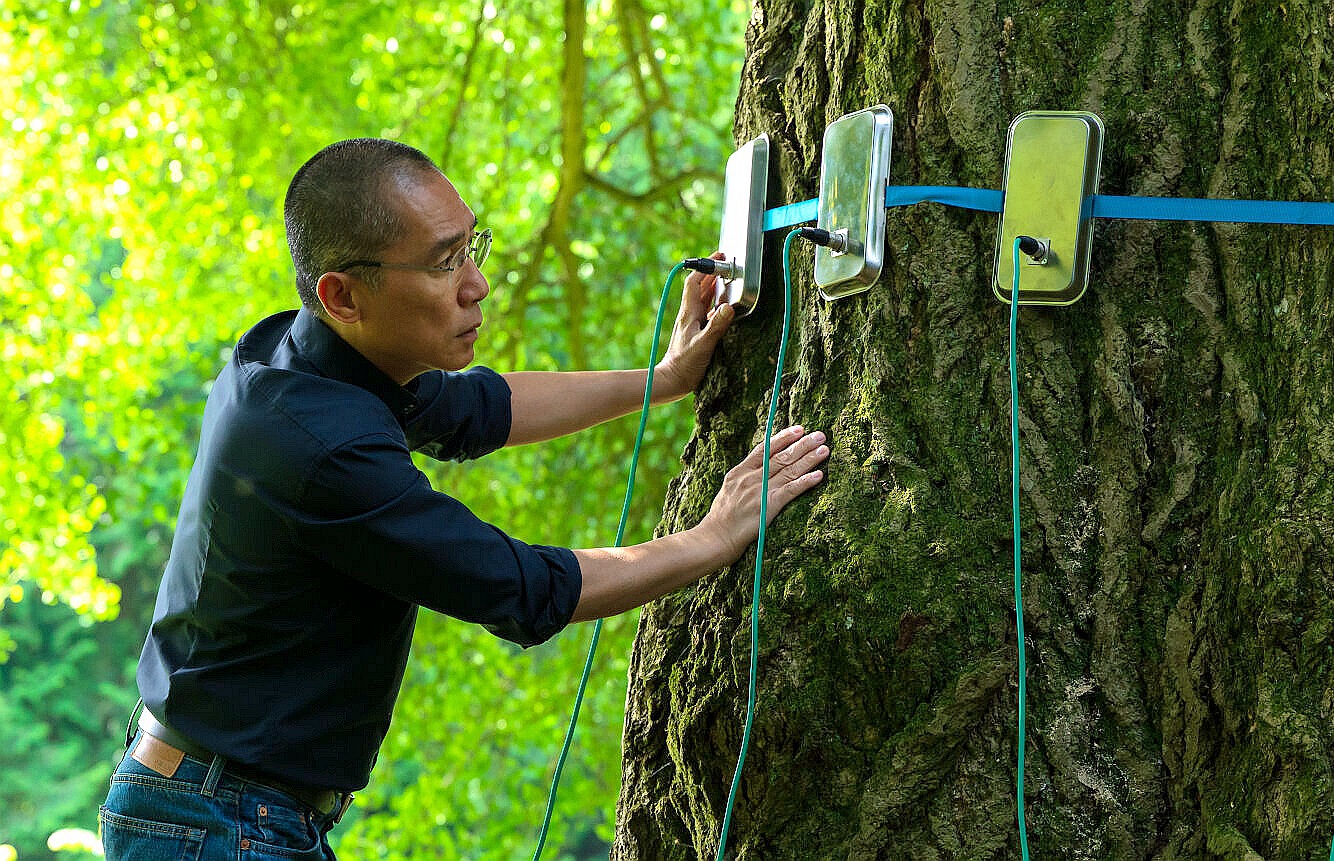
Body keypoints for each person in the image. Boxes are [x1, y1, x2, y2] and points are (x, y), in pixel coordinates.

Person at [98, 137, 828, 859]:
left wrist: (662, 380)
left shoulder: (304, 358)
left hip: (223, 807)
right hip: (213, 823)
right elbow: (519, 585)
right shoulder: (321, 448)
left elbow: (481, 409)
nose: (476, 283)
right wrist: (715, 536)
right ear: (342, 294)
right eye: (445, 262)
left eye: (472, 244)